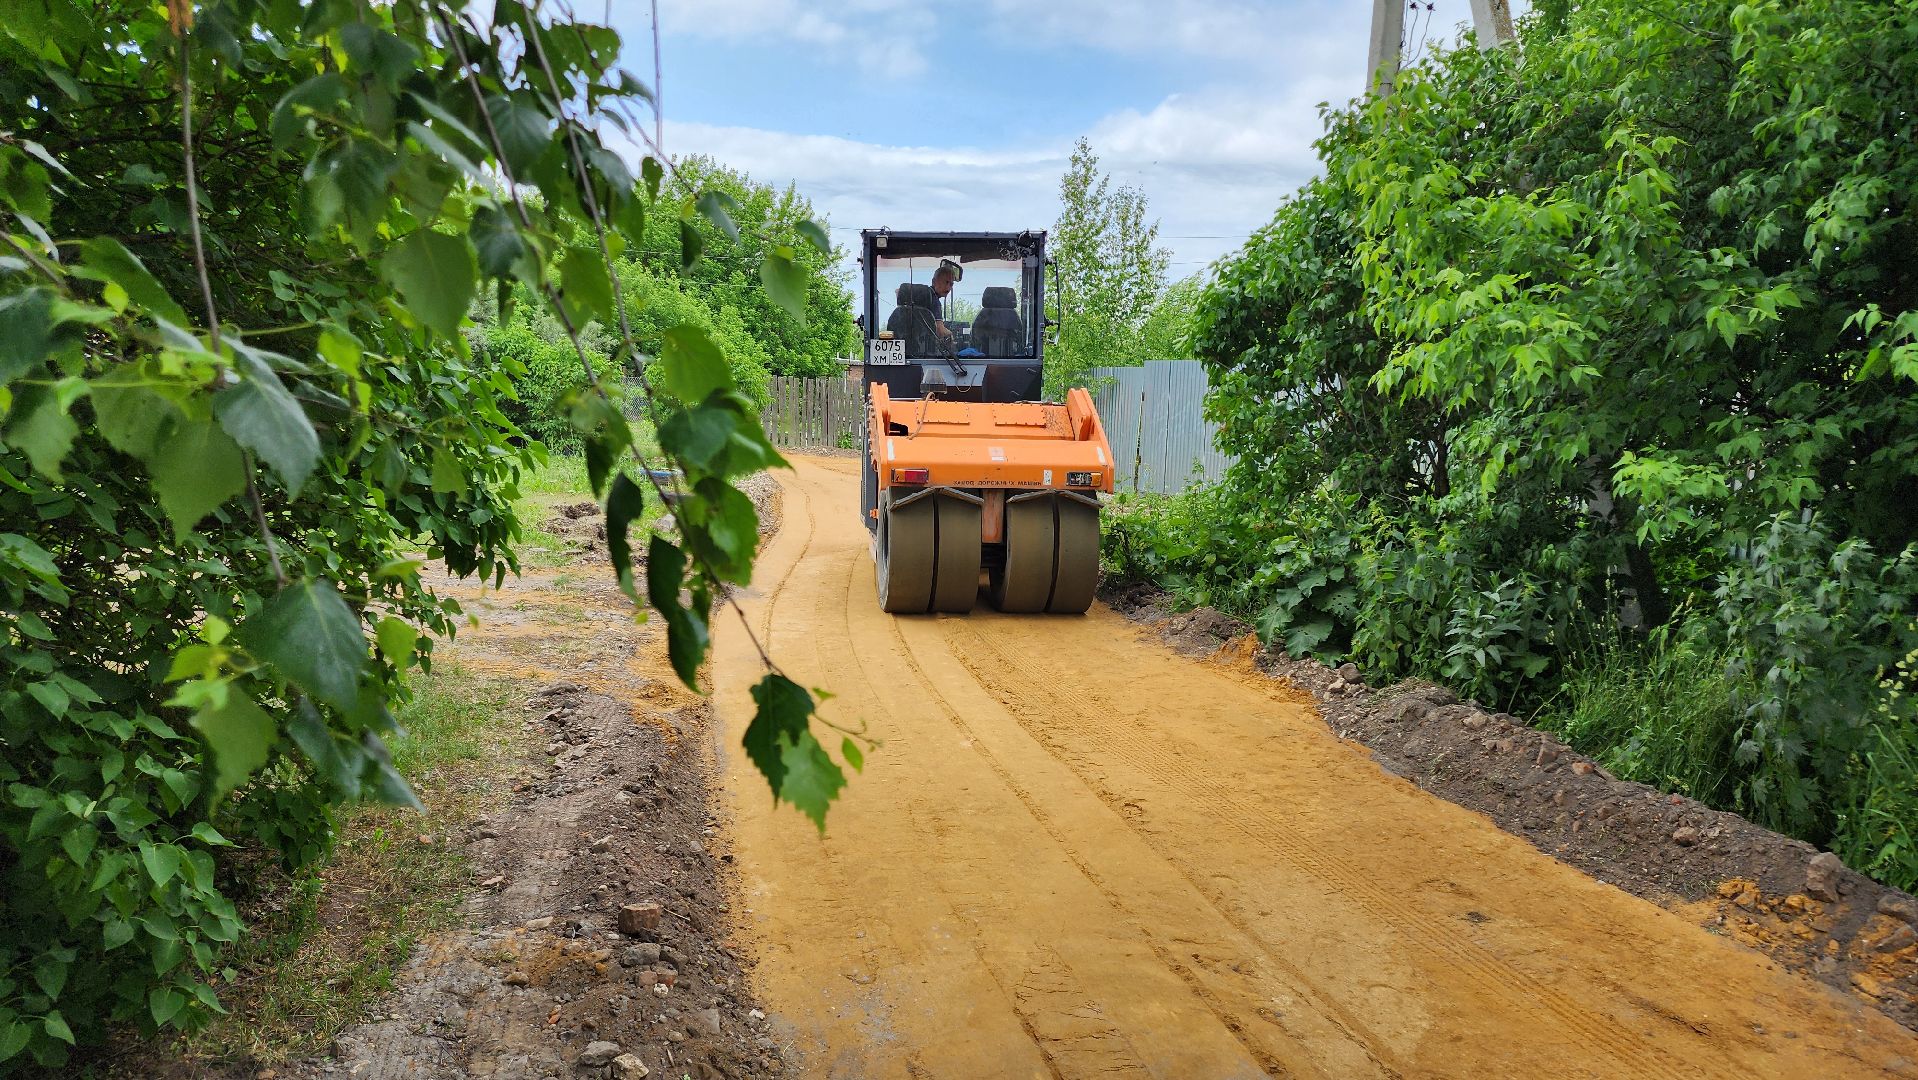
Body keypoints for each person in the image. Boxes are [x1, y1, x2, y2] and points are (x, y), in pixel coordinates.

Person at [928, 259, 961, 344]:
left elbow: (898, 291)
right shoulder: (933, 300)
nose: (948, 288)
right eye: (946, 282)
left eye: (951, 284)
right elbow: (940, 331)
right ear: (934, 281)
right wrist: (950, 334)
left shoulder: (921, 299)